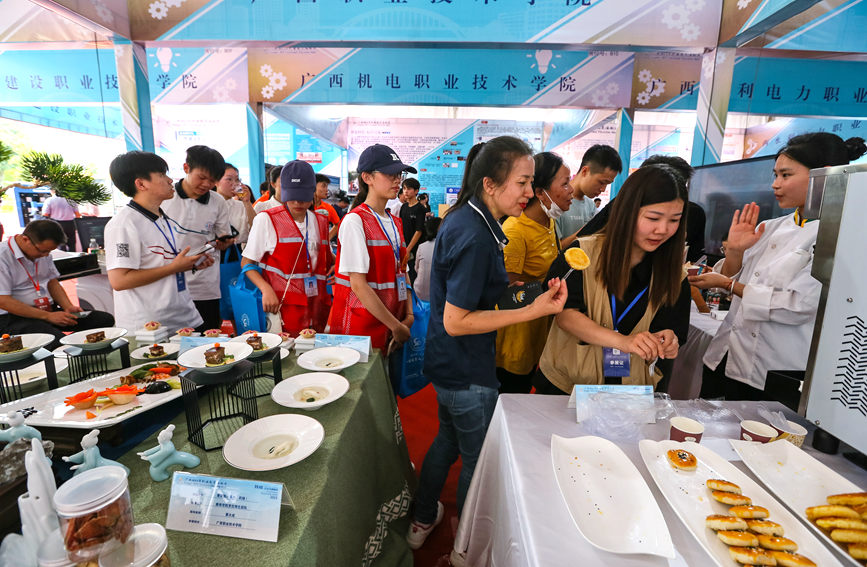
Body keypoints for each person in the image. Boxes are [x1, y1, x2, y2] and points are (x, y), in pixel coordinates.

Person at [407, 137, 567, 550]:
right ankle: (466, 546)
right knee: (477, 461)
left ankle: (423, 518)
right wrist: (531, 312)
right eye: (523, 183)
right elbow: (457, 321)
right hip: (466, 369)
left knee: (447, 440)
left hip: (447, 363)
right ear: (490, 184)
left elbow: (479, 294)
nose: (531, 193)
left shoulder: (468, 218)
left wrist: (530, 295)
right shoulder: (476, 235)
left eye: (532, 183)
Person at [690, 132, 867, 400]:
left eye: (785, 175)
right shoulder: (770, 227)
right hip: (725, 355)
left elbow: (798, 306)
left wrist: (728, 284)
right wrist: (735, 253)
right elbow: (732, 281)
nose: (775, 184)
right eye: (775, 175)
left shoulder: (840, 235)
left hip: (772, 369)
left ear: (825, 175)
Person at [536, 164, 690, 393]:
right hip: (568, 387)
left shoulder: (674, 275)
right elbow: (565, 315)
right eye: (653, 218)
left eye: (674, 220)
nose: (662, 229)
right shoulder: (580, 255)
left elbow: (669, 328)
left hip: (630, 392)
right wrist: (623, 342)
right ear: (628, 210)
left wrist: (667, 340)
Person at [104, 151, 212, 333]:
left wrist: (190, 264)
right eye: (162, 175)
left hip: (184, 317)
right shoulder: (123, 224)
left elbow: (159, 262)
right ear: (140, 184)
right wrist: (174, 267)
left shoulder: (164, 218)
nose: (170, 180)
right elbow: (119, 280)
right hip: (149, 327)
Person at [495, 151, 572, 393]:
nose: (572, 190)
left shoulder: (549, 222)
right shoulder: (516, 229)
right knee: (512, 396)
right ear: (540, 192)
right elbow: (509, 293)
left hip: (540, 331)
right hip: (517, 337)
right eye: (565, 183)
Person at [331, 144, 416, 352]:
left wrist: (409, 315)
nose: (398, 180)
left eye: (399, 174)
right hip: (362, 330)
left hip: (392, 322)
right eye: (390, 174)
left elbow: (402, 270)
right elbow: (358, 285)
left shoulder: (395, 222)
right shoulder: (354, 221)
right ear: (367, 177)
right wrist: (396, 325)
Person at [241, 161, 333, 334]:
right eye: (292, 195)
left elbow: (326, 258)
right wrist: (265, 288)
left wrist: (335, 265)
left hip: (317, 307)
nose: (298, 202)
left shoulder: (320, 222)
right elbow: (247, 263)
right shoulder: (266, 219)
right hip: (282, 308)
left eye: (303, 196)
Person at [0, 219, 114, 348]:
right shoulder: (3, 256)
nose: (46, 255)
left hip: (47, 310)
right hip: (13, 318)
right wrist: (47, 316)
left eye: (49, 252)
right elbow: (3, 300)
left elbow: (52, 282)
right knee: (58, 342)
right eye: (42, 251)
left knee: (103, 320)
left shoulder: (43, 253)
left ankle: (91, 355)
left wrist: (67, 306)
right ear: (26, 239)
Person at [161, 145, 234, 331]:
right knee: (172, 338)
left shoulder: (217, 202)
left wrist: (224, 242)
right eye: (201, 178)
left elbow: (223, 237)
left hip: (205, 282)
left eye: (212, 180)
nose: (206, 185)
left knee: (207, 335)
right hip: (168, 281)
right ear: (186, 168)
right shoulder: (165, 197)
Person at [557, 144, 622, 248]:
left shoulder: (590, 205)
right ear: (585, 171)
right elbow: (554, 250)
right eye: (601, 182)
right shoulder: (557, 201)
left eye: (607, 184)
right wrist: (586, 230)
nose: (603, 189)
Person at [215, 162, 254, 247]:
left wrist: (247, 202)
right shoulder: (209, 204)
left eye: (237, 179)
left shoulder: (241, 206)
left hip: (237, 253)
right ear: (216, 181)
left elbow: (256, 229)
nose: (234, 183)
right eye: (229, 179)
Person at [399, 177, 426, 284]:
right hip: (404, 246)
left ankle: (414, 299)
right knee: (403, 274)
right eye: (404, 188)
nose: (406, 191)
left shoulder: (420, 208)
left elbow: (419, 231)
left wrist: (408, 249)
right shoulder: (403, 207)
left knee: (413, 275)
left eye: (409, 188)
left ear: (416, 191)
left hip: (414, 248)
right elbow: (400, 226)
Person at [413, 216, 441, 302]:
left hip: (419, 291)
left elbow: (416, 268)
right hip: (437, 294)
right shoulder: (446, 246)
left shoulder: (421, 247)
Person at [313, 173, 341, 240]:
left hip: (323, 248)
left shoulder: (328, 208)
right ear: (313, 186)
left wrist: (328, 238)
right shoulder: (304, 207)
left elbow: (338, 224)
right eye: (323, 186)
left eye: (327, 186)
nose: (326, 190)